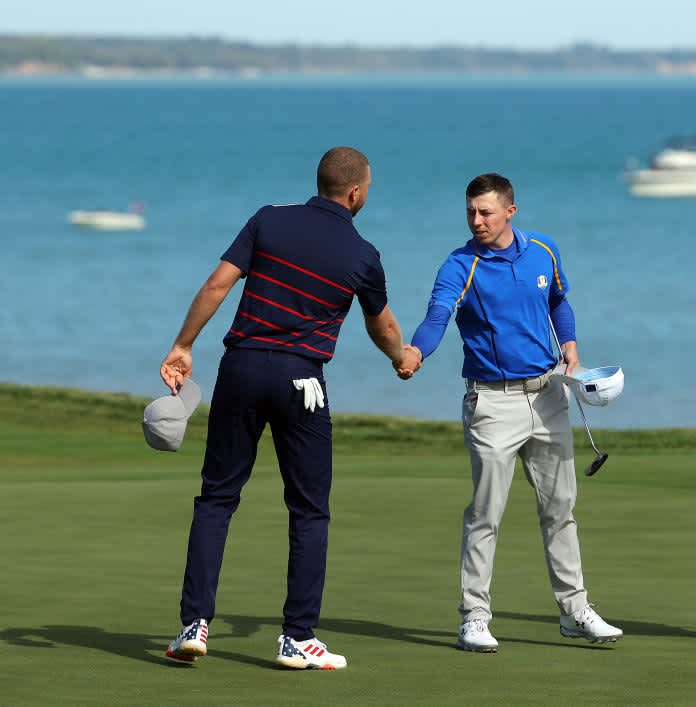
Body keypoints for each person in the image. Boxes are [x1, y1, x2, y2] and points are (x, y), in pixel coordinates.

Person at [160, 146, 419, 669]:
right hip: (302, 379)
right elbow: (383, 326)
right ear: (355, 192)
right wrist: (402, 356)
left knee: (216, 498)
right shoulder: (363, 254)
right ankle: (297, 637)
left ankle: (194, 625)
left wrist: (183, 345)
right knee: (308, 509)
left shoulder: (268, 220)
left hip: (240, 369)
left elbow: (217, 285)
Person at [400, 173, 622, 652]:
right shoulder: (460, 265)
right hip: (492, 402)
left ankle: (574, 610)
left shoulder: (543, 250)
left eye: (485, 212)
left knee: (560, 509)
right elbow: (438, 315)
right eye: (470, 212)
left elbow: (559, 301)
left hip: (549, 395)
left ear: (510, 211)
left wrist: (571, 349)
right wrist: (416, 352)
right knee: (486, 514)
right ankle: (474, 618)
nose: (476, 221)